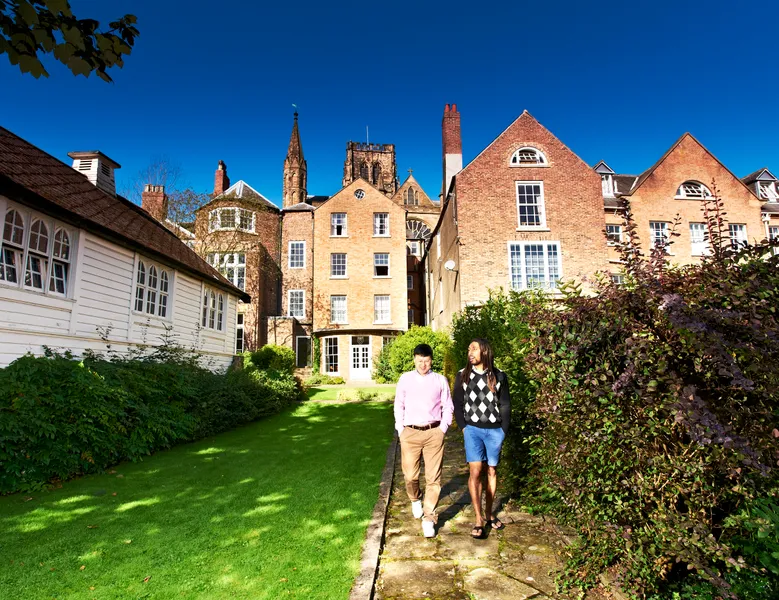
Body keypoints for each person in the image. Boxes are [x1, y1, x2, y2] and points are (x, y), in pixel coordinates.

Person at [394, 343, 454, 538]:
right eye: (420, 361)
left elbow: (448, 406)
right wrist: (400, 429)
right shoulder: (405, 379)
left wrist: (443, 428)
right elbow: (399, 405)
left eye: (426, 361)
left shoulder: (440, 380)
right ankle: (415, 498)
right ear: (414, 359)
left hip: (433, 432)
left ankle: (429, 518)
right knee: (410, 475)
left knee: (433, 478)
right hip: (410, 433)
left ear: (431, 361)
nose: (423, 364)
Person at [453, 338, 511, 539]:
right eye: (469, 348)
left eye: (474, 349)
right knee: (476, 471)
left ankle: (489, 514)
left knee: (492, 471)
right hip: (472, 430)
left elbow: (505, 404)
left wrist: (503, 430)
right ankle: (478, 519)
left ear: (485, 352)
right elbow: (457, 403)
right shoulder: (462, 375)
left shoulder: (499, 376)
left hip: (495, 431)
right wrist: (464, 428)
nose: (470, 352)